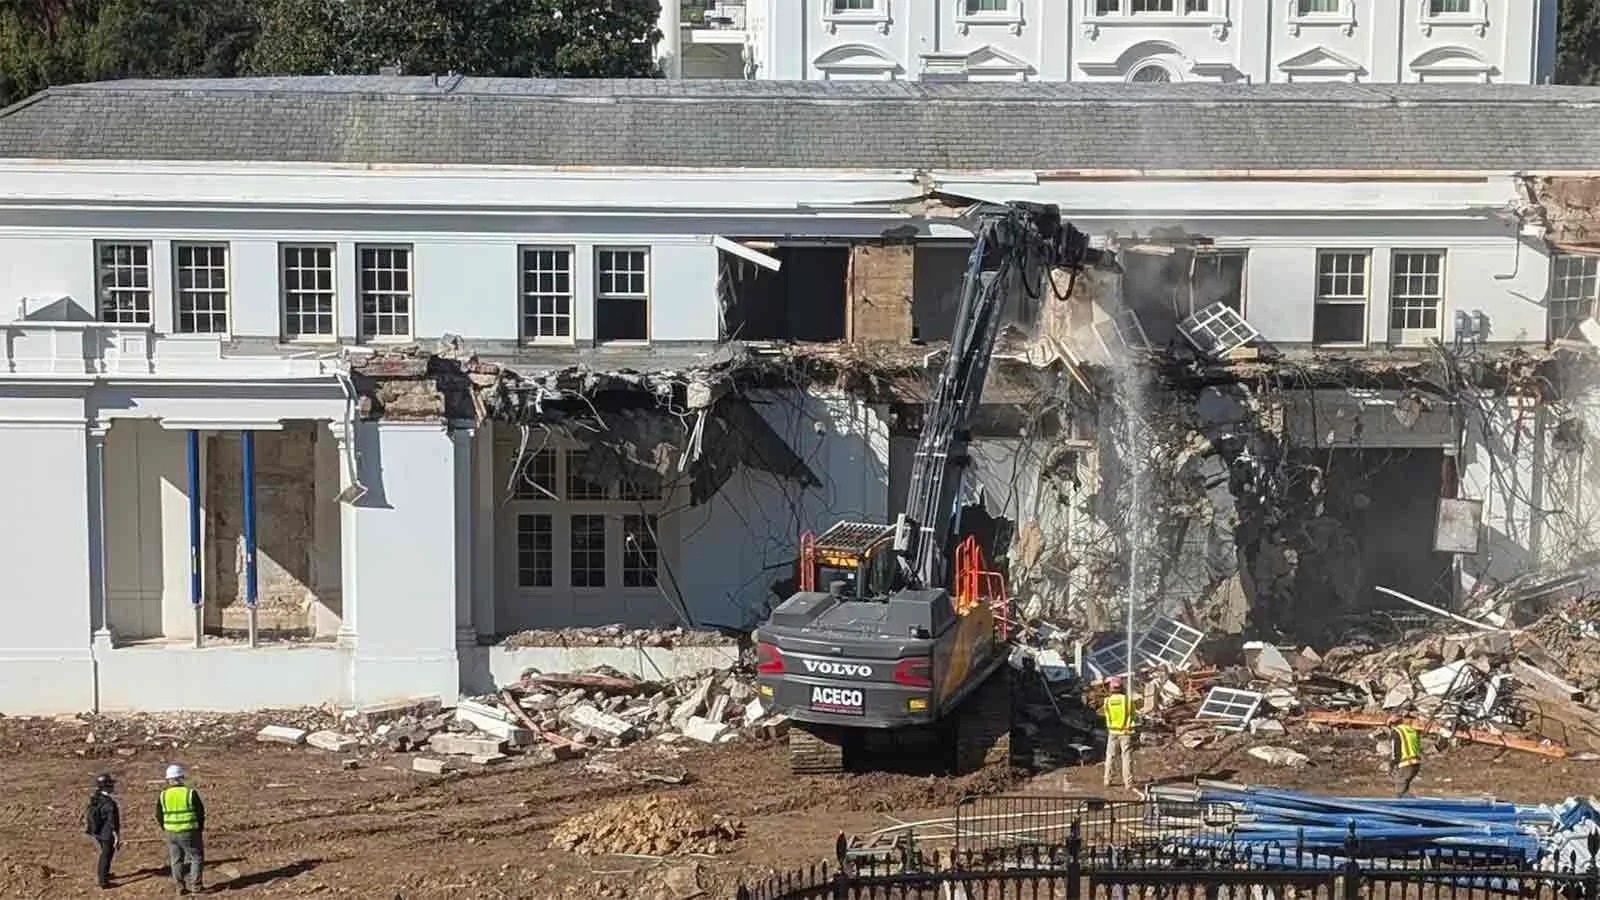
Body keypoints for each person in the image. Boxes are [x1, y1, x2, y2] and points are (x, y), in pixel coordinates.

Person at [156, 764, 206, 896]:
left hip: (171, 832)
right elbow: (200, 812)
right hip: (189, 831)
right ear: (181, 777)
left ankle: (179, 887)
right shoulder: (190, 793)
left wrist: (166, 827)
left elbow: (159, 815)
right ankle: (196, 886)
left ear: (169, 779)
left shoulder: (163, 795)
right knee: (196, 857)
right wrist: (199, 828)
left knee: (176, 860)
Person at [83, 773, 122, 890]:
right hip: (106, 834)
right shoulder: (110, 804)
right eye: (111, 785)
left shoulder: (96, 798)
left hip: (97, 832)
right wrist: (116, 837)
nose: (113, 787)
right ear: (106, 787)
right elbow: (113, 822)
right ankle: (103, 881)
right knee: (107, 855)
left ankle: (104, 874)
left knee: (104, 853)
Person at [1101, 676, 1137, 790]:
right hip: (1125, 732)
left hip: (1112, 731)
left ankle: (1107, 780)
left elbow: (1107, 716)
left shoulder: (1107, 701)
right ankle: (1128, 783)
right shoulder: (1127, 700)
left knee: (1110, 756)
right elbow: (1133, 715)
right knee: (1126, 757)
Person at [1388, 715, 1423, 797]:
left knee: (1400, 790)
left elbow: (1396, 750)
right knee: (1404, 788)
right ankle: (1409, 802)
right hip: (1416, 763)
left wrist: (1392, 765)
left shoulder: (1396, 731)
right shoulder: (1411, 730)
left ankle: (1402, 807)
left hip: (1405, 763)